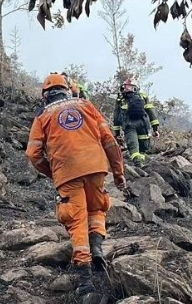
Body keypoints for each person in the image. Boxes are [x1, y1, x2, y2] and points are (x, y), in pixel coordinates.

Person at [26, 73, 126, 297]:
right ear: (67, 89)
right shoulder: (86, 105)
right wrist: (119, 173)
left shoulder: (42, 115)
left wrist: (52, 172)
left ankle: (86, 281)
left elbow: (33, 153)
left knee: (76, 220)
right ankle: (97, 246)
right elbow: (109, 140)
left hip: (67, 173)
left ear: (45, 95)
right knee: (97, 208)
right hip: (96, 167)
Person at [111, 78, 160, 166]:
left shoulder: (120, 99)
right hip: (143, 124)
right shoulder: (143, 96)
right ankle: (141, 165)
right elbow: (151, 112)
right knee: (143, 149)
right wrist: (155, 129)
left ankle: (138, 165)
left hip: (129, 125)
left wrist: (117, 134)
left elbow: (116, 117)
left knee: (133, 147)